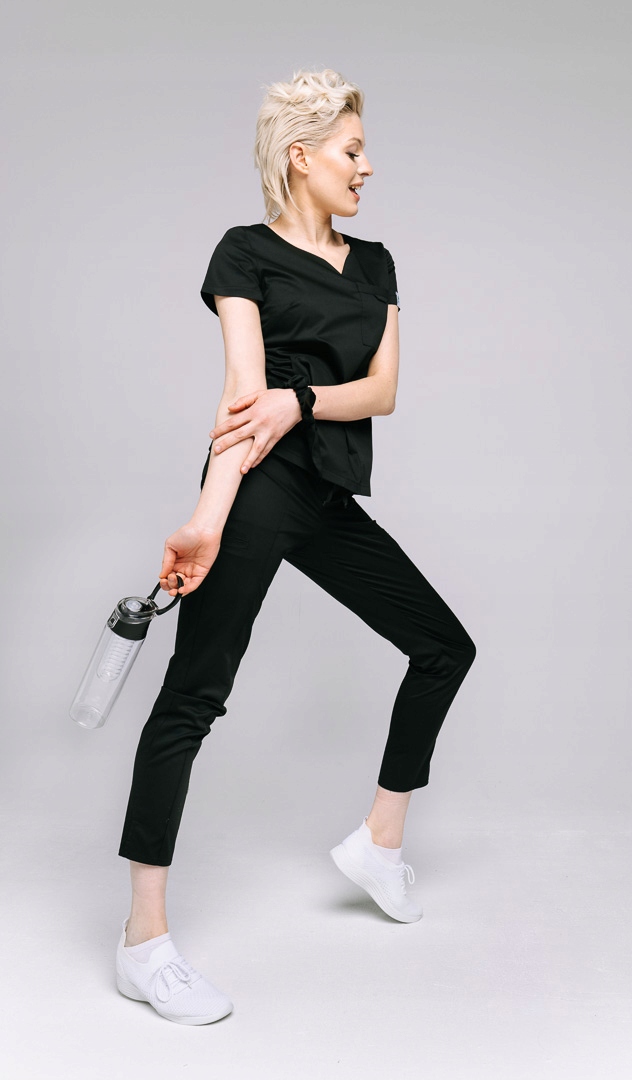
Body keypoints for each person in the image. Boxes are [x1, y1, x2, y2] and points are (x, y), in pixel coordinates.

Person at [114, 67, 476, 1026]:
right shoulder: (244, 253)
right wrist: (208, 517)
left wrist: (300, 399)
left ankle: (379, 845)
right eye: (353, 151)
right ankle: (143, 942)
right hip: (257, 489)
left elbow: (381, 392)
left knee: (445, 647)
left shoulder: (376, 263)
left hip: (322, 493)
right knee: (193, 697)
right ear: (301, 155)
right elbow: (242, 399)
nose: (367, 167)